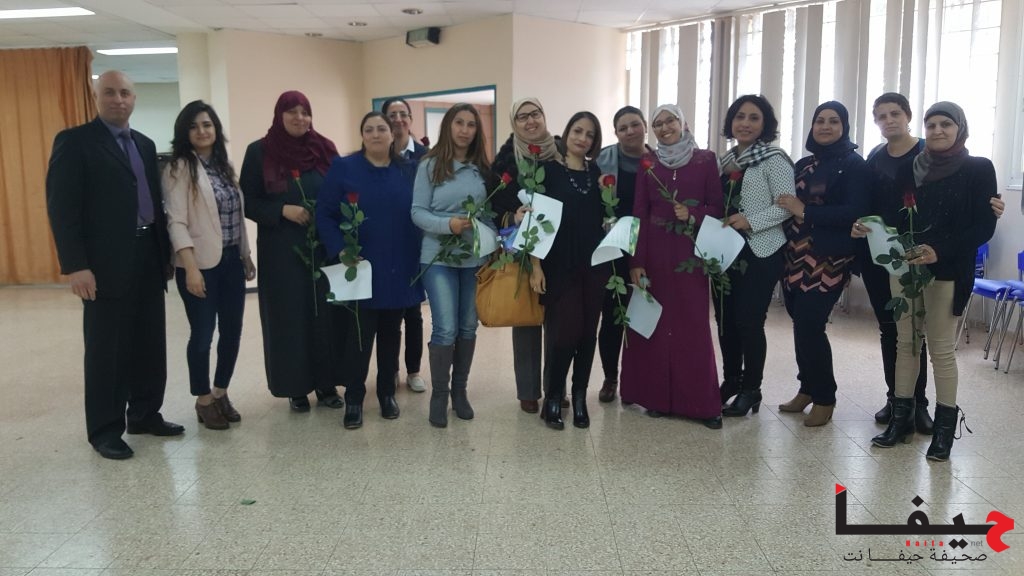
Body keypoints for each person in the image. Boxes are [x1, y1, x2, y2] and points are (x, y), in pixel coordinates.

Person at [46, 70, 183, 460]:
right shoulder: (74, 142)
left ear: (134, 99)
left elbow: (154, 201)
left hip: (148, 255)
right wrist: (76, 265)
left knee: (149, 341)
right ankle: (105, 430)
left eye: (125, 92)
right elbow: (62, 208)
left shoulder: (145, 143)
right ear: (95, 97)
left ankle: (144, 414)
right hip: (103, 264)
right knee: (107, 349)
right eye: (109, 92)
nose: (118, 99)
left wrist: (165, 255)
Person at [858, 92, 1005, 433]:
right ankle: (900, 419)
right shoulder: (910, 168)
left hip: (949, 269)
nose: (938, 130)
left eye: (946, 124)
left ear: (960, 128)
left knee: (940, 349)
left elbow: (983, 227)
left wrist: (940, 250)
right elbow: (896, 215)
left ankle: (943, 430)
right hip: (907, 267)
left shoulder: (979, 167)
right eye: (932, 124)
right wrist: (868, 226)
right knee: (905, 344)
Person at [240, 91, 345, 412]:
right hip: (282, 250)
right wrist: (282, 210)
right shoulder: (259, 152)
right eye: (292, 112)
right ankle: (295, 387)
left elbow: (341, 191)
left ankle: (327, 384)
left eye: (305, 112)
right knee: (289, 317)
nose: (300, 118)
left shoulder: (325, 149)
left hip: (322, 248)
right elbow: (249, 202)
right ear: (279, 114)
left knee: (326, 316)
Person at [318, 111, 424, 429]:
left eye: (382, 129)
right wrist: (340, 249)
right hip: (361, 265)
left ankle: (387, 394)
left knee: (392, 334)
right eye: (369, 129)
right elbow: (325, 213)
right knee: (359, 336)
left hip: (399, 264)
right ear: (362, 135)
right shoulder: (344, 167)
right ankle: (354, 398)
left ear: (392, 135)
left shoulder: (408, 170)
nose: (376, 134)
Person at [621, 104, 724, 429]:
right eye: (658, 123)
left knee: (693, 326)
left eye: (670, 121)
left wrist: (693, 214)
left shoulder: (705, 160)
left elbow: (718, 207)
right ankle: (657, 398)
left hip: (690, 254)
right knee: (654, 324)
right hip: (653, 253)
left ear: (683, 123)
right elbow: (639, 213)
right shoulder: (649, 164)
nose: (665, 127)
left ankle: (702, 404)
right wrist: (636, 261)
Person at [776, 101, 870, 427]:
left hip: (829, 258)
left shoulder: (854, 165)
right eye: (820, 120)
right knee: (799, 324)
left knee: (810, 324)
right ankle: (807, 388)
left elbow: (854, 212)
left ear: (844, 127)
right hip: (794, 254)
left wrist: (805, 210)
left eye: (833, 121)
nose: (825, 126)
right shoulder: (804, 164)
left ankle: (825, 397)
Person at [164, 100, 255, 431]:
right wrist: (190, 268)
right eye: (194, 126)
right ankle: (203, 400)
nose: (202, 131)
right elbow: (176, 221)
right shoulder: (178, 168)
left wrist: (245, 255)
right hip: (198, 264)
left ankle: (220, 392)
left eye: (207, 124)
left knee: (232, 331)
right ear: (184, 132)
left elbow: (235, 217)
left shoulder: (223, 166)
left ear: (215, 129)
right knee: (202, 334)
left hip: (231, 261)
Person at [411, 103, 496, 428]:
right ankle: (440, 395)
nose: (464, 130)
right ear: (448, 126)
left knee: (468, 326)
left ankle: (460, 392)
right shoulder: (430, 165)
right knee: (445, 327)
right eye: (459, 123)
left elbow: (487, 213)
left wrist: (492, 241)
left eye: (471, 124)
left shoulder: (480, 169)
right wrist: (448, 225)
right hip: (438, 257)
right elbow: (417, 212)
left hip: (473, 258)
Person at [715, 95, 795, 417]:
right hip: (726, 250)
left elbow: (786, 205)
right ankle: (731, 380)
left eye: (754, 118)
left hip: (761, 250)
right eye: (740, 117)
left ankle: (752, 389)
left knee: (748, 322)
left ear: (765, 125)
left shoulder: (774, 159)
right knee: (725, 321)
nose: (745, 123)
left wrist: (751, 220)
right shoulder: (725, 161)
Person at [533, 112, 606, 430]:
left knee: (588, 333)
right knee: (564, 333)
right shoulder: (548, 171)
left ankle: (579, 397)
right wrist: (535, 266)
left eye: (590, 134)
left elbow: (604, 217)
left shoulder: (596, 173)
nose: (582, 138)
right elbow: (536, 221)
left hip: (594, 264)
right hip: (559, 264)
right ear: (567, 133)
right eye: (578, 131)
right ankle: (553, 397)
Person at [490, 97, 561, 414]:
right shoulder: (505, 162)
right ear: (514, 123)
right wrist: (512, 217)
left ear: (544, 116)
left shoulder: (562, 153)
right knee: (527, 320)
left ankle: (555, 387)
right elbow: (492, 210)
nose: (530, 121)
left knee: (559, 325)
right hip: (522, 251)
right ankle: (528, 390)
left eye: (535, 114)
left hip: (561, 250)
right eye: (522, 117)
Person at [593, 105, 653, 403]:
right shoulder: (602, 161)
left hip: (650, 247)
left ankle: (642, 378)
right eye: (622, 127)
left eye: (635, 124)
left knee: (646, 311)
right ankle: (610, 377)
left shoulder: (659, 162)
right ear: (615, 133)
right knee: (613, 314)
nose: (630, 131)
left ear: (645, 126)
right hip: (613, 247)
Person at [382, 97, 427, 394]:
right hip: (385, 244)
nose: (398, 119)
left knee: (413, 312)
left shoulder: (425, 156)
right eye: (392, 114)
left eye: (403, 114)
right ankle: (390, 371)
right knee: (389, 314)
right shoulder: (377, 154)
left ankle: (413, 370)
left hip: (417, 242)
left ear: (410, 119)